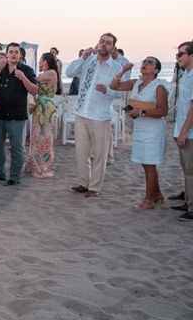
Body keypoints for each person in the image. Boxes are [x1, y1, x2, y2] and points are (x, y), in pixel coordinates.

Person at [65, 33, 123, 197]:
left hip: (100, 116)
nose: (104, 45)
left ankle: (95, 187)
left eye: (108, 43)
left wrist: (107, 90)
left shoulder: (116, 68)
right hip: (81, 112)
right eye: (102, 41)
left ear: (113, 48)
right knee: (81, 152)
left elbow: (120, 94)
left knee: (99, 154)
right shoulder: (89, 61)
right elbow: (69, 72)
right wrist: (83, 57)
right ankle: (83, 182)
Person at [109, 57, 169, 209]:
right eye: (144, 62)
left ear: (156, 70)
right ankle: (157, 193)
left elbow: (163, 110)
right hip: (140, 128)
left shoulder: (159, 86)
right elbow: (114, 86)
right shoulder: (136, 83)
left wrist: (141, 111)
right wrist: (123, 70)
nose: (144, 64)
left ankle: (148, 200)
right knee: (146, 163)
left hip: (153, 130)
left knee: (150, 164)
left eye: (149, 63)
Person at [0, 42, 37, 186]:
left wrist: (23, 78)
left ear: (20, 55)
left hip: (16, 116)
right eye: (11, 52)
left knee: (17, 148)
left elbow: (35, 90)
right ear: (6, 54)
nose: (13, 54)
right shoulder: (1, 68)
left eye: (16, 52)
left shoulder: (26, 70)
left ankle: (14, 177)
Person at [25, 53, 59, 179]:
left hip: (46, 108)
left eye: (40, 60)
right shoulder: (48, 73)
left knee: (44, 138)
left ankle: (43, 167)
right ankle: (34, 165)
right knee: (36, 137)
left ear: (45, 61)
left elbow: (36, 80)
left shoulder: (51, 72)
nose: (39, 62)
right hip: (39, 107)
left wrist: (25, 76)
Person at [171, 42, 193, 221]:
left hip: (191, 132)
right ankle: (188, 200)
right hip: (183, 130)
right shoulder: (186, 74)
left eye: (181, 54)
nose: (177, 58)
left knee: (191, 170)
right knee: (186, 169)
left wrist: (184, 131)